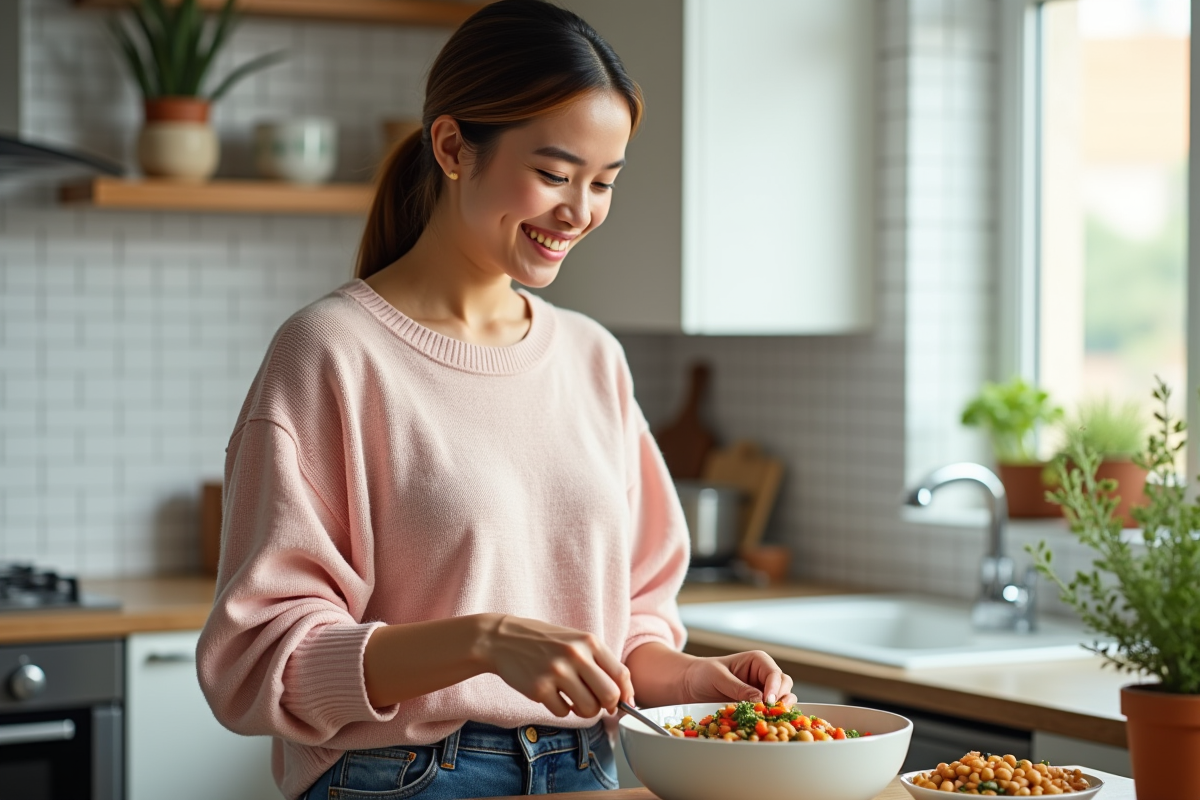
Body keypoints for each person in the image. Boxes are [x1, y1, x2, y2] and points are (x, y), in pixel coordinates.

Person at [196, 2, 796, 798]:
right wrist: (482, 642)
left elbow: (630, 628)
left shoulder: (592, 360)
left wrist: (690, 679)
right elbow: (258, 665)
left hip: (587, 769)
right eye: (553, 174)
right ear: (452, 146)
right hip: (404, 777)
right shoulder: (332, 353)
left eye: (603, 183)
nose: (579, 211)